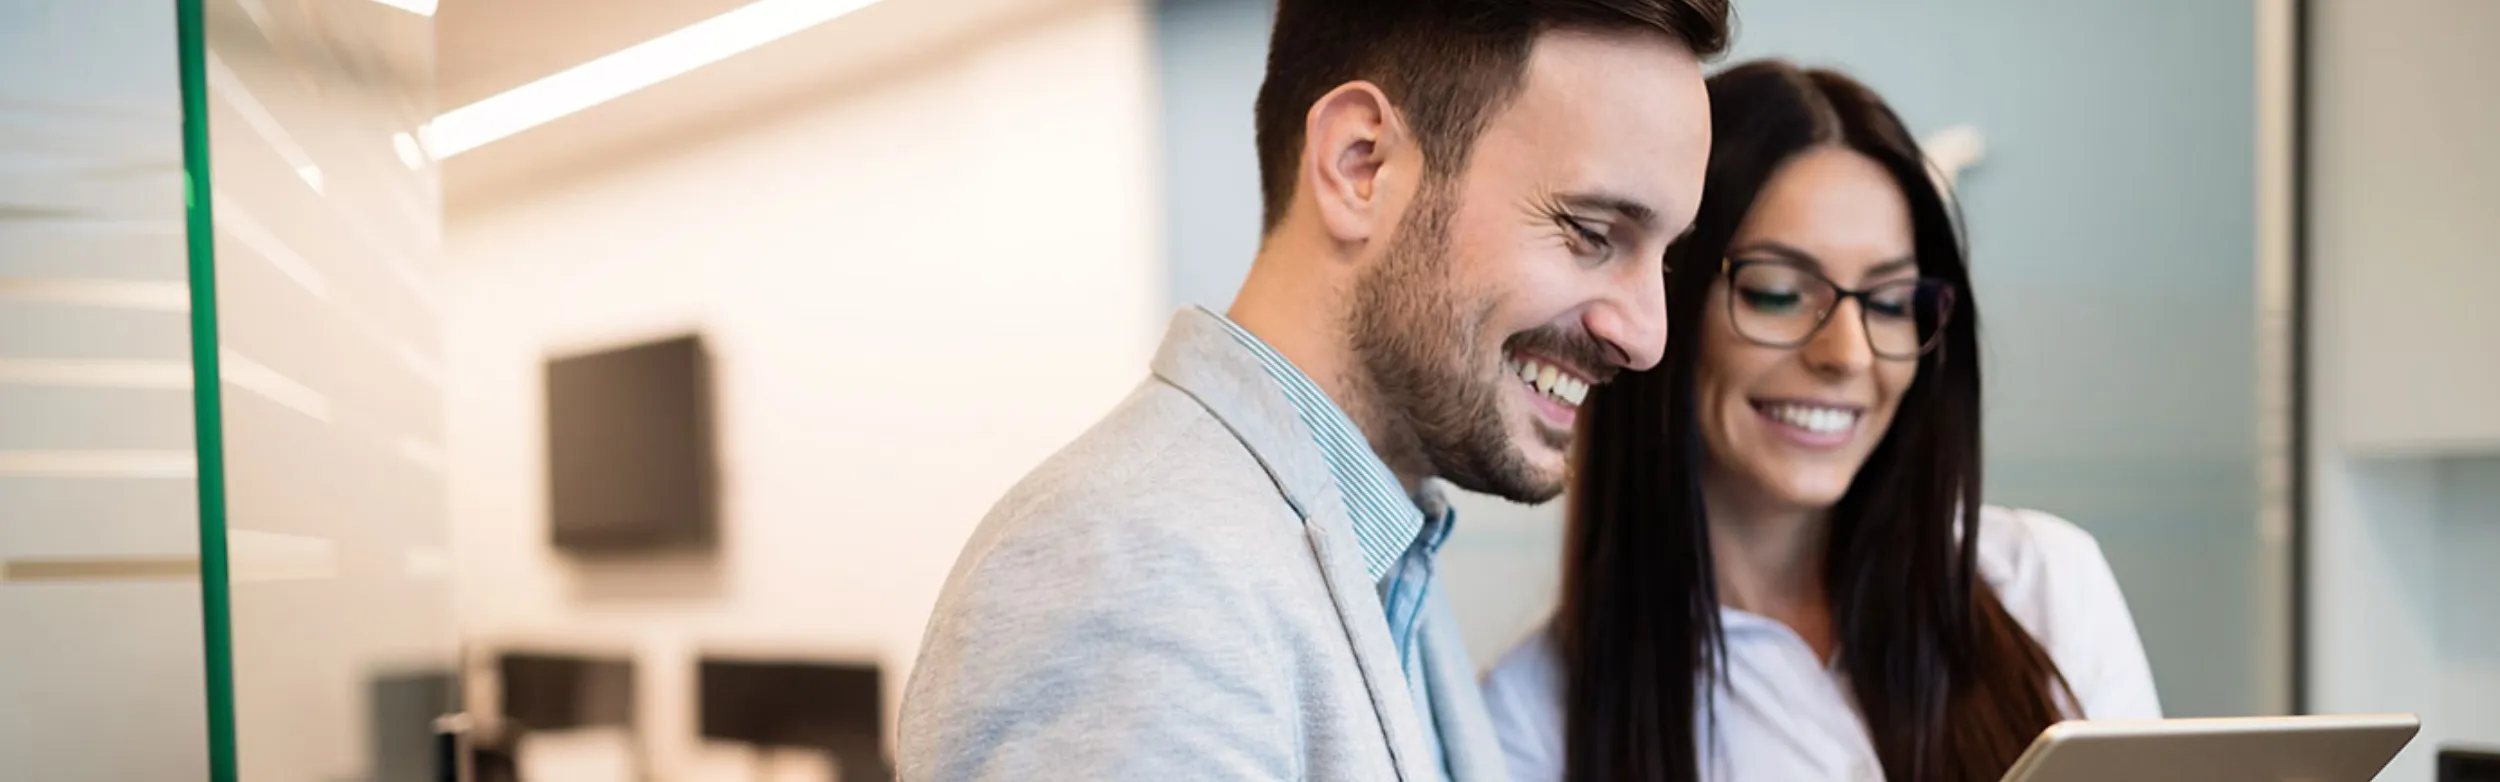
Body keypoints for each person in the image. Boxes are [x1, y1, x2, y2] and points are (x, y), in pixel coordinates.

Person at [897, 1, 1731, 779]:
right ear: (1360, 167)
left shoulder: (1380, 555)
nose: (1647, 337)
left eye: (1663, 259)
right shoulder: (1130, 576)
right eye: (1591, 233)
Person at [1478, 60, 2162, 782]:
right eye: (1778, 293)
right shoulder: (1530, 719)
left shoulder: (2044, 583)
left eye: (1890, 303)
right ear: (1660, 305)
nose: (1847, 355)